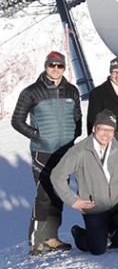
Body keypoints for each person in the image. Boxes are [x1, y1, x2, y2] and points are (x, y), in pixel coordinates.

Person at [51, 110, 118, 255]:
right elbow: (57, 175)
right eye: (102, 129)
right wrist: (72, 200)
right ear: (94, 129)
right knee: (98, 249)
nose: (106, 134)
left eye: (110, 130)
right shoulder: (79, 151)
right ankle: (80, 234)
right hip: (95, 205)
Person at [11, 51, 82, 257]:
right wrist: (37, 136)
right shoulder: (32, 91)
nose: (55, 69)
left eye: (59, 66)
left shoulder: (72, 91)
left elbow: (77, 118)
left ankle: (52, 237)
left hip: (65, 151)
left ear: (64, 68)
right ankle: (36, 241)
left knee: (58, 192)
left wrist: (72, 138)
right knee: (43, 195)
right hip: (42, 151)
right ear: (46, 66)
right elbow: (17, 121)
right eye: (52, 65)